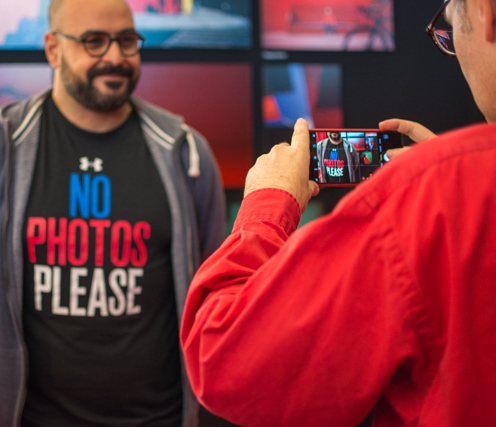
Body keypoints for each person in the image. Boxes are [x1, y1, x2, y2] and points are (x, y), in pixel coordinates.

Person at [181, 0, 496, 425]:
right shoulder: (447, 191)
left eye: (450, 28)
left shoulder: (422, 200)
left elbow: (222, 358)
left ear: (485, 13)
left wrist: (268, 202)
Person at [0, 0, 226, 425]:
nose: (115, 57)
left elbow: (210, 283)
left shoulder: (185, 153)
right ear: (53, 49)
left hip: (159, 417)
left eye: (127, 41)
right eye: (93, 41)